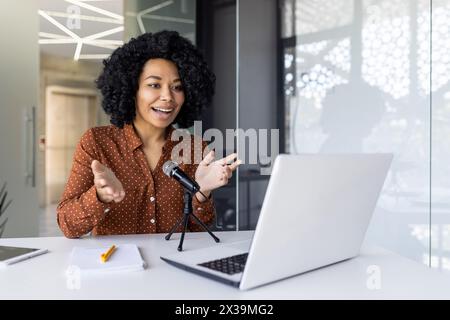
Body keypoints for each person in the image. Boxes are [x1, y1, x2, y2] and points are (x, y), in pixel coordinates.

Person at [57, 30, 240, 238]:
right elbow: (67, 224)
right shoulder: (97, 142)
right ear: (131, 89)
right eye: (154, 85)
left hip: (172, 266)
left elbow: (199, 231)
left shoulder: (194, 148)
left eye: (177, 87)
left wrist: (202, 191)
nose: (167, 97)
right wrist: (99, 196)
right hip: (116, 265)